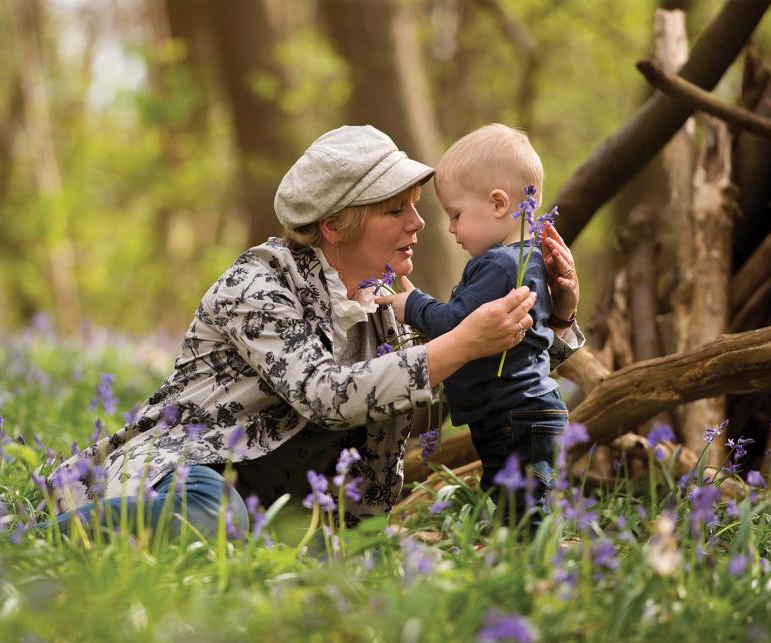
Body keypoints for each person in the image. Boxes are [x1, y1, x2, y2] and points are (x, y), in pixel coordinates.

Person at [47, 125, 582, 538]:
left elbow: (454, 384)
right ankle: (31, 541)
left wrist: (556, 325)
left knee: (275, 542)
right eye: (397, 210)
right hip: (190, 471)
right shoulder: (256, 287)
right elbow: (327, 395)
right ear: (335, 224)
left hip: (295, 518)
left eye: (417, 208)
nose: (419, 224)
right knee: (211, 514)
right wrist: (462, 338)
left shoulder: (377, 309)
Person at [377, 124, 580, 518]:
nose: (451, 228)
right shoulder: (524, 260)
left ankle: (532, 570)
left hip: (513, 414)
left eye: (456, 214)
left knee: (519, 505)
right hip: (525, 409)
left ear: (499, 204)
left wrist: (411, 305)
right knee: (516, 499)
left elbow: (457, 323)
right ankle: (527, 561)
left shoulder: (501, 266)